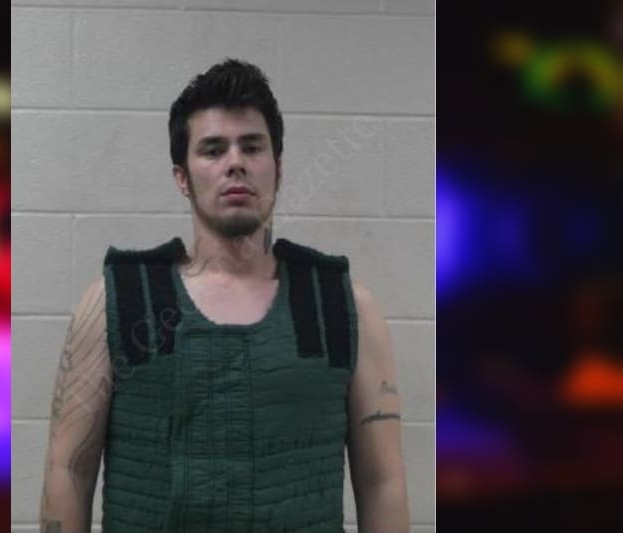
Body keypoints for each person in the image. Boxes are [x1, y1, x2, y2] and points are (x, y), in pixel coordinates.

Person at [39, 58, 409, 533]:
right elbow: (68, 471)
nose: (235, 162)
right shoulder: (118, 302)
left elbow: (383, 482)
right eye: (212, 150)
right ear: (182, 177)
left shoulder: (341, 307)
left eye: (251, 147)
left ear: (278, 168)